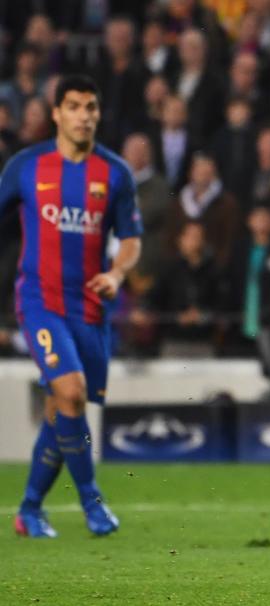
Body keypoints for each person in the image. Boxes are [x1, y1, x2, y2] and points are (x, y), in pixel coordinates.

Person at [0, 75, 143, 537]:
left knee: (63, 409)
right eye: (75, 106)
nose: (84, 115)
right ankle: (93, 505)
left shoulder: (115, 173)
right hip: (39, 300)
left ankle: (29, 509)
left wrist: (117, 273)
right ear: (57, 112)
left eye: (91, 106)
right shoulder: (26, 166)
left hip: (89, 308)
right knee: (72, 392)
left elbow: (132, 240)